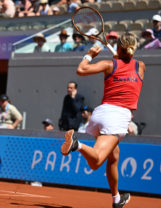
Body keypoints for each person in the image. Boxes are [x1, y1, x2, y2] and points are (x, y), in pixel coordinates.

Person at [60, 32, 146, 208]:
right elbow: (124, 62)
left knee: (114, 156)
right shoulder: (141, 67)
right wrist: (118, 55)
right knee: (97, 161)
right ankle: (77, 145)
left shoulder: (108, 65)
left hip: (100, 113)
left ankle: (116, 198)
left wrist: (89, 55)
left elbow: (81, 69)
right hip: (118, 117)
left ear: (120, 48)